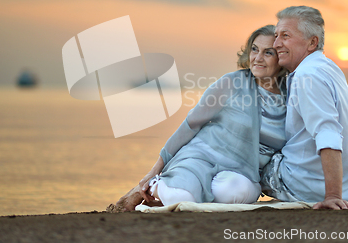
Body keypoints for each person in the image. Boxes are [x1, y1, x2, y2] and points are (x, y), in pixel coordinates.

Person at [113, 25, 287, 211]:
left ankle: (185, 191)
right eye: (254, 49)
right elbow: (191, 124)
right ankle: (157, 185)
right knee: (182, 197)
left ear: (282, 58)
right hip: (201, 156)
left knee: (233, 194)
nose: (257, 58)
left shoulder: (291, 97)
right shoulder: (231, 83)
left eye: (268, 52)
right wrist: (154, 170)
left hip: (240, 172)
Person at [260, 6, 348, 210]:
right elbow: (347, 125)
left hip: (308, 187)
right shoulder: (329, 68)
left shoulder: (307, 76)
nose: (276, 44)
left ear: (312, 42)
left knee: (247, 150)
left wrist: (333, 196)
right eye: (276, 36)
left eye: (285, 36)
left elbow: (327, 132)